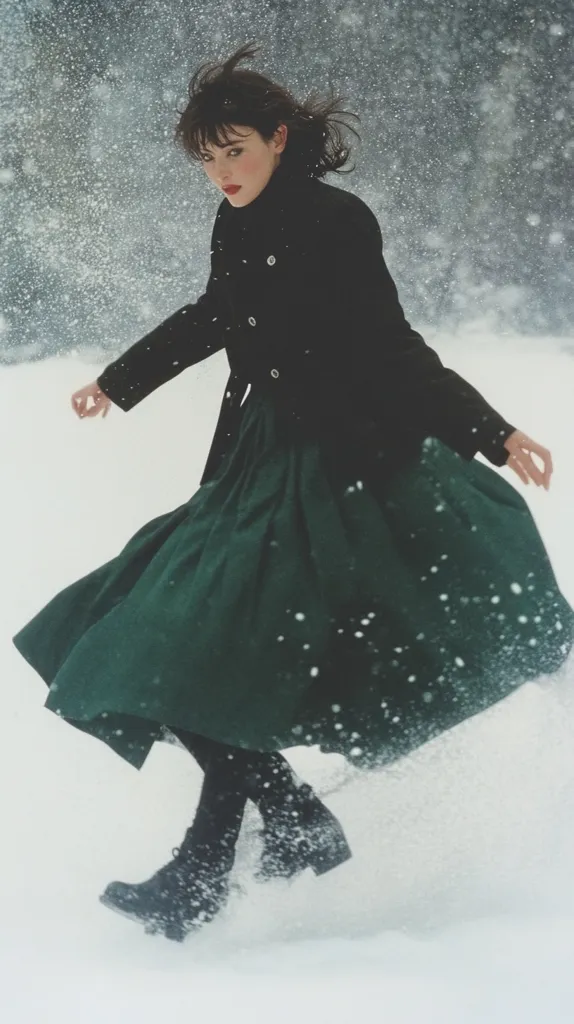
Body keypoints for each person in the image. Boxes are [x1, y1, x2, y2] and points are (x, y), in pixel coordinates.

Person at [12, 40, 574, 943]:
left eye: (236, 150)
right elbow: (214, 315)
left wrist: (492, 431)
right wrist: (120, 381)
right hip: (255, 465)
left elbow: (391, 344)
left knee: (209, 652)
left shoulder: (337, 222)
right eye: (207, 158)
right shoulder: (235, 225)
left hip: (337, 471)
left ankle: (213, 867)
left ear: (279, 137)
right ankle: (290, 823)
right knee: (149, 631)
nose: (222, 172)